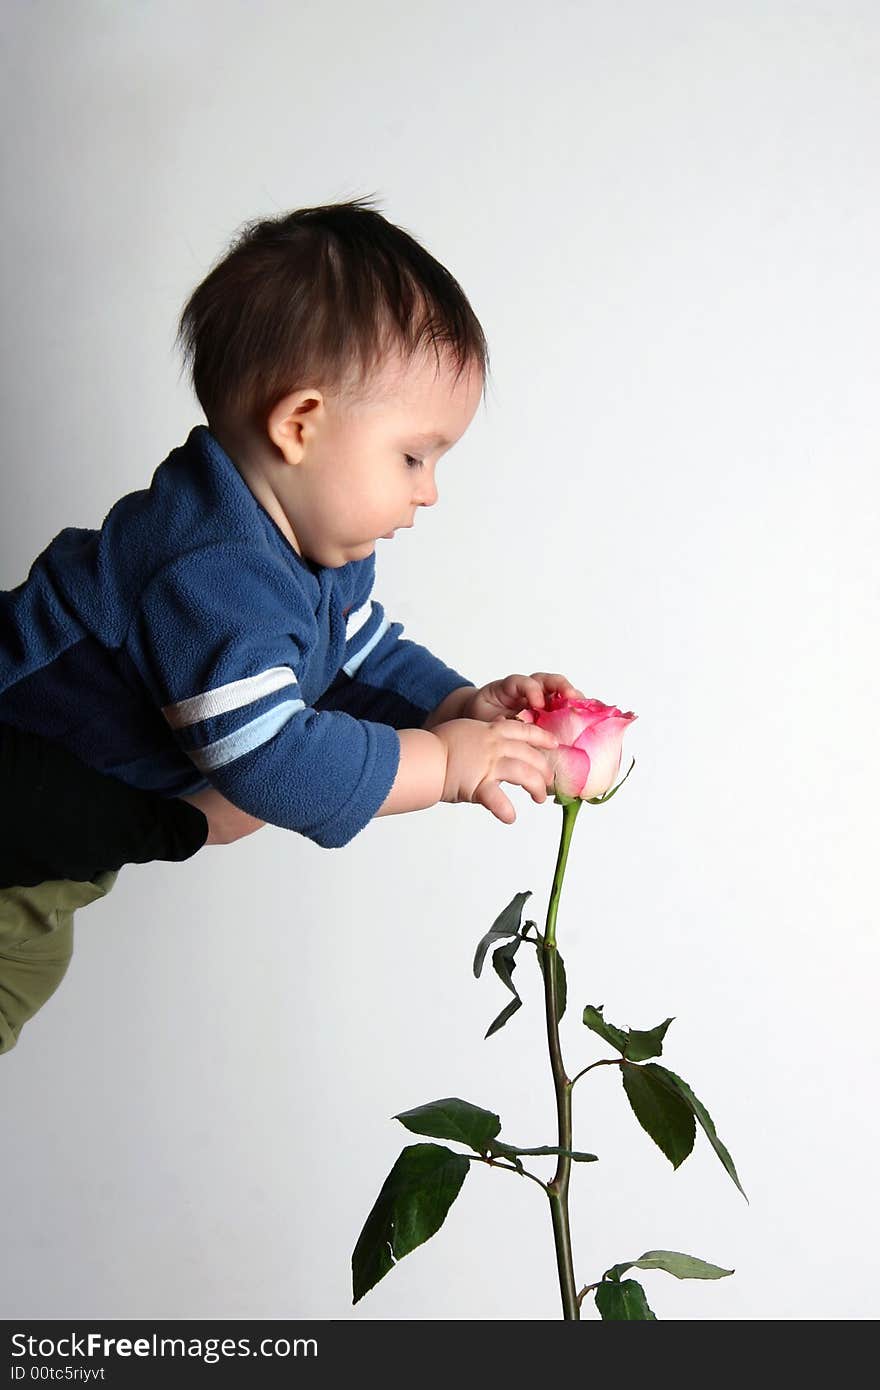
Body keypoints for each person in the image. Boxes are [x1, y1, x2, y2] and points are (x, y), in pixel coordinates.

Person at [0, 196, 583, 1053]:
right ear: (300, 425)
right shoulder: (211, 569)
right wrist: (445, 765)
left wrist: (459, 706)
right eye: (414, 456)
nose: (429, 491)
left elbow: (358, 655)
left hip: (64, 846)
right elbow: (271, 757)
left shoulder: (311, 557)